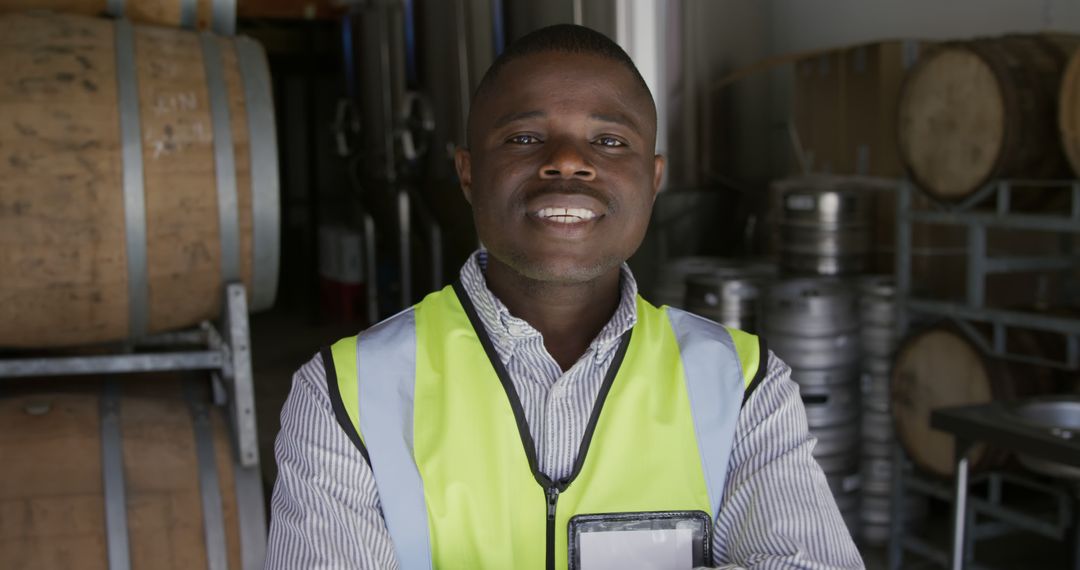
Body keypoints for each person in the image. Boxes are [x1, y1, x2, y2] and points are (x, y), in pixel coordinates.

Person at [266, 24, 864, 570]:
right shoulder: (344, 395)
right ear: (469, 174)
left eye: (609, 141)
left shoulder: (744, 386)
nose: (568, 163)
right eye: (525, 137)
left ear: (653, 180)